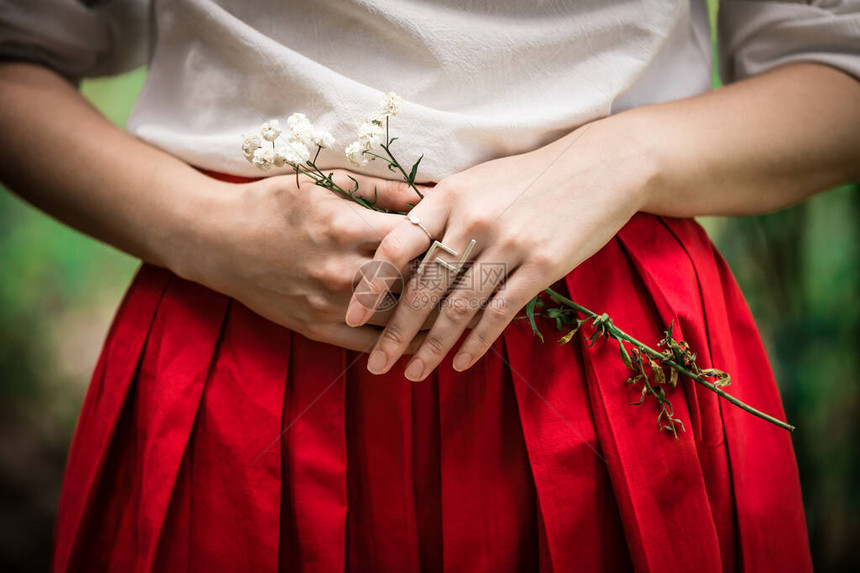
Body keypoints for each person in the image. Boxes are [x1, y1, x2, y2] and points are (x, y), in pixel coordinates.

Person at [1, 0, 858, 571]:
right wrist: (196, 228)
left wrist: (625, 158)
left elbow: (837, 68)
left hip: (605, 352)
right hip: (245, 333)